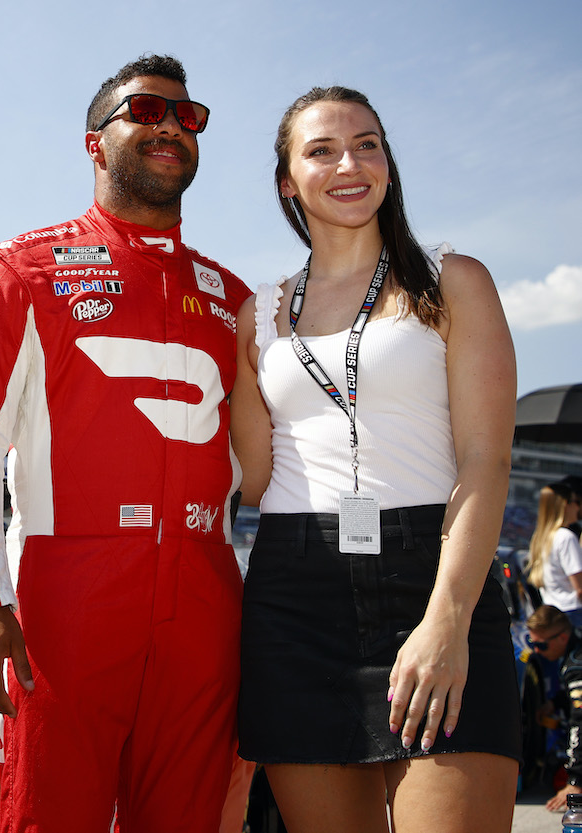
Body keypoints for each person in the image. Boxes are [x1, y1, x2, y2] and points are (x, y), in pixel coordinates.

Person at [0, 54, 251, 832]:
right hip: (65, 606)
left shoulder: (237, 300)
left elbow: (270, 471)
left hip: (206, 608)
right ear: (93, 142)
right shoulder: (19, 269)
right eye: (146, 111)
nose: (170, 125)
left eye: (188, 115)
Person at [230, 86, 520, 832]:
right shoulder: (256, 314)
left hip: (435, 574)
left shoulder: (454, 279)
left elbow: (486, 461)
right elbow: (250, 478)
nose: (349, 163)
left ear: (388, 163)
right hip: (295, 593)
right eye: (321, 150)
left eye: (367, 144)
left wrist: (446, 621)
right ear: (288, 182)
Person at [526, 605, 582, 810]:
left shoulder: (576, 666)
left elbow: (580, 723)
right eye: (533, 644)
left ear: (562, 638)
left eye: (541, 645)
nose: (536, 651)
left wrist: (575, 782)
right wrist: (556, 702)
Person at [527, 482, 582, 626]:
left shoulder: (542, 538)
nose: (578, 507)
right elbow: (580, 588)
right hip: (573, 613)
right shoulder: (566, 537)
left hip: (552, 614)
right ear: (565, 505)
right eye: (575, 502)